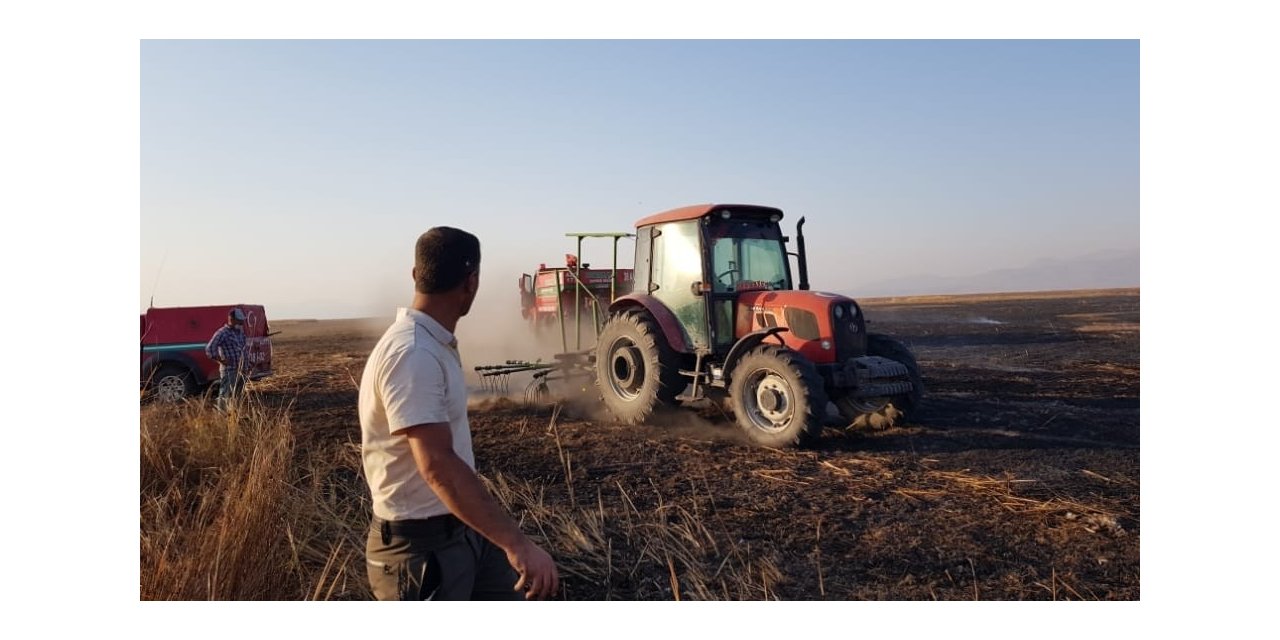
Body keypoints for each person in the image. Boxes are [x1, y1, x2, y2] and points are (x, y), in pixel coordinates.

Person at [359, 226, 560, 601]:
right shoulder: (414, 354)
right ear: (471, 283)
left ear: (416, 275)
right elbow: (436, 465)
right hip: (420, 552)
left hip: (464, 531)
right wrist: (517, 544)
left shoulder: (432, 344)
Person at [206, 308, 248, 411]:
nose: (241, 322)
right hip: (230, 370)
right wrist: (221, 361)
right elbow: (210, 348)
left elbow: (243, 350)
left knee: (238, 394)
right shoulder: (222, 333)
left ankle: (234, 414)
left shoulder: (240, 333)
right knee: (225, 393)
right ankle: (222, 416)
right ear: (231, 319)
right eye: (239, 320)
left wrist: (246, 365)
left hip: (242, 370)